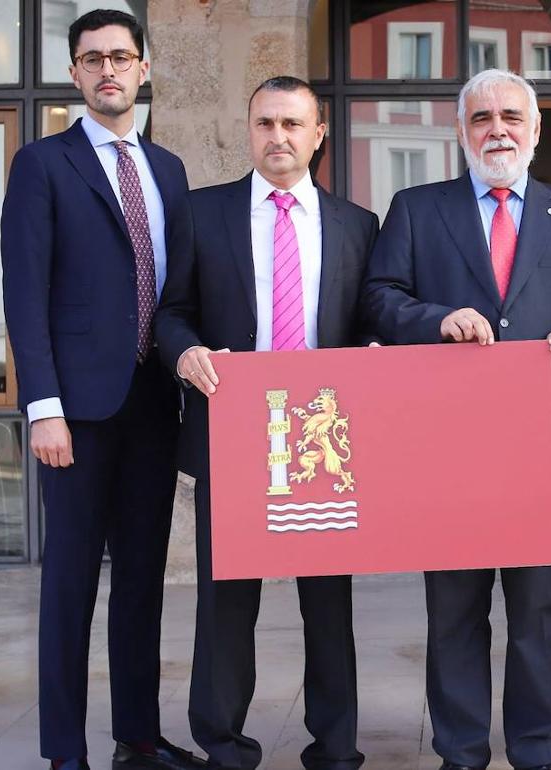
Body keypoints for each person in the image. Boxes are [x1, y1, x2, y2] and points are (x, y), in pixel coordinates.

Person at [361, 68, 551, 770]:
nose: (498, 129)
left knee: (539, 614)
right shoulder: (419, 208)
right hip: (449, 451)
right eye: (482, 118)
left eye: (512, 116)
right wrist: (434, 319)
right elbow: (380, 298)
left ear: (536, 130)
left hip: (546, 447)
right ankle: (459, 748)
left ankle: (538, 746)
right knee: (454, 612)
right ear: (461, 131)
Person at [154, 76, 379, 770]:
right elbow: (170, 312)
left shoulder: (355, 224)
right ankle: (224, 746)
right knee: (226, 604)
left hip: (322, 438)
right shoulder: (200, 213)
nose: (277, 137)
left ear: (318, 135)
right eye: (264, 123)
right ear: (247, 131)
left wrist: (375, 356)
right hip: (233, 429)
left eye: (292, 124)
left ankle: (336, 748)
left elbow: (371, 320)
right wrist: (185, 350)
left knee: (328, 606)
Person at [0, 9, 202, 770]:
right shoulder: (43, 164)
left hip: (153, 405)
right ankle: (64, 754)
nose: (108, 70)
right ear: (77, 74)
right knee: (72, 587)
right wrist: (42, 407)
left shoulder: (169, 169)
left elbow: (177, 290)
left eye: (121, 56)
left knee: (143, 584)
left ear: (144, 68)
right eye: (93, 59)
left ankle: (138, 739)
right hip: (76, 415)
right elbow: (26, 292)